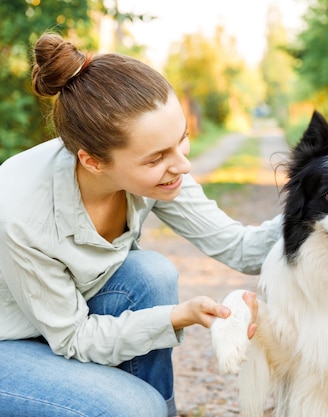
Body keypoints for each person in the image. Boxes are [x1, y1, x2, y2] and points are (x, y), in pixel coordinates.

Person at [0, 32, 282, 417]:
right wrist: (179, 316)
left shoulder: (156, 173)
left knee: (149, 274)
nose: (182, 165)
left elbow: (241, 248)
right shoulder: (19, 209)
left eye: (181, 140)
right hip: (10, 343)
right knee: (134, 408)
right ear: (93, 162)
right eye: (156, 158)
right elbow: (73, 337)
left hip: (62, 324)